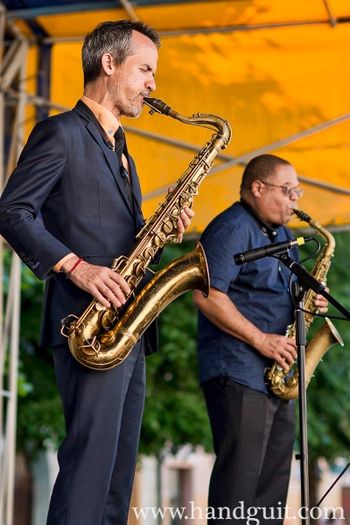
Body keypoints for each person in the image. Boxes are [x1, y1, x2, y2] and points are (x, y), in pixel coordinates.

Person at [0, 20, 193, 525]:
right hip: (86, 321)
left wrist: (161, 230)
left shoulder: (122, 149)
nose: (153, 83)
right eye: (145, 69)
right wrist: (77, 267)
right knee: (87, 472)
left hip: (125, 328)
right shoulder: (60, 132)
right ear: (109, 64)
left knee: (114, 480)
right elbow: (12, 211)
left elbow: (112, 233)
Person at [193, 154, 328, 524]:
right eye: (288, 191)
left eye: (296, 192)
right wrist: (261, 340)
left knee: (271, 491)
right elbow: (206, 295)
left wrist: (309, 298)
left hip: (277, 374)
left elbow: (282, 293)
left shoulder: (284, 235)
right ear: (258, 188)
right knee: (239, 489)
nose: (294, 201)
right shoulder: (230, 228)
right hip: (239, 370)